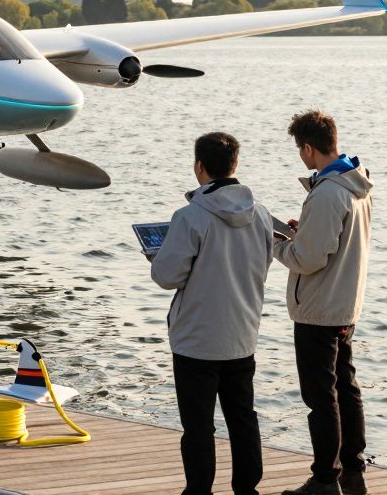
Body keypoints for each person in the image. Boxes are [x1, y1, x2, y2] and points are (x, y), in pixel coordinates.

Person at [152, 132, 273, 495]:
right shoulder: (262, 215)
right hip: (242, 334)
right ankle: (247, 488)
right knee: (243, 418)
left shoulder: (190, 217)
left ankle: (199, 490)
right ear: (235, 164)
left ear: (199, 166)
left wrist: (156, 257)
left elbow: (166, 276)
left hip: (197, 340)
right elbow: (264, 260)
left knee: (199, 426)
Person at [275, 111, 373, 495]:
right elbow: (333, 241)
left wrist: (277, 244)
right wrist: (303, 234)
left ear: (309, 148)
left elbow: (309, 259)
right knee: (346, 389)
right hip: (345, 302)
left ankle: (324, 479)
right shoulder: (355, 184)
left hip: (318, 306)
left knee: (321, 397)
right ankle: (353, 470)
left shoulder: (330, 191)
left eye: (300, 150)